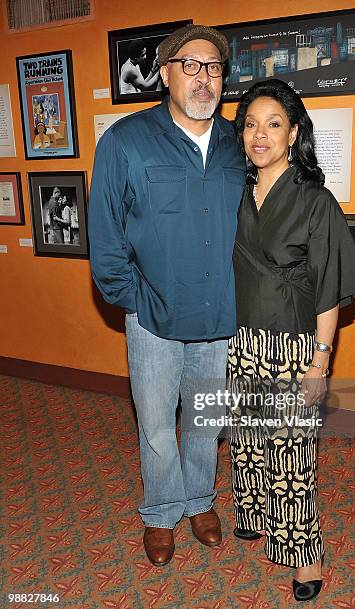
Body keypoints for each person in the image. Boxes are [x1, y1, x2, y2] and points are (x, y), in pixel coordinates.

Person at [88, 24, 244, 567]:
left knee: (205, 422)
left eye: (214, 67)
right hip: (152, 316)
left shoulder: (236, 143)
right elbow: (104, 236)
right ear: (166, 72)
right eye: (191, 65)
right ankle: (161, 512)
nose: (204, 78)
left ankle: (200, 500)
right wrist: (131, 299)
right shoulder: (125, 141)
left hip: (221, 316)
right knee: (156, 425)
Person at [228, 79, 355, 602]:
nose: (258, 135)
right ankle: (254, 512)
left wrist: (320, 361)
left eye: (272, 124)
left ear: (293, 133)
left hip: (293, 346)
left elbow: (330, 285)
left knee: (291, 455)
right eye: (249, 124)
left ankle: (305, 555)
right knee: (247, 439)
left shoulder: (316, 201)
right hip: (241, 339)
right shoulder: (236, 192)